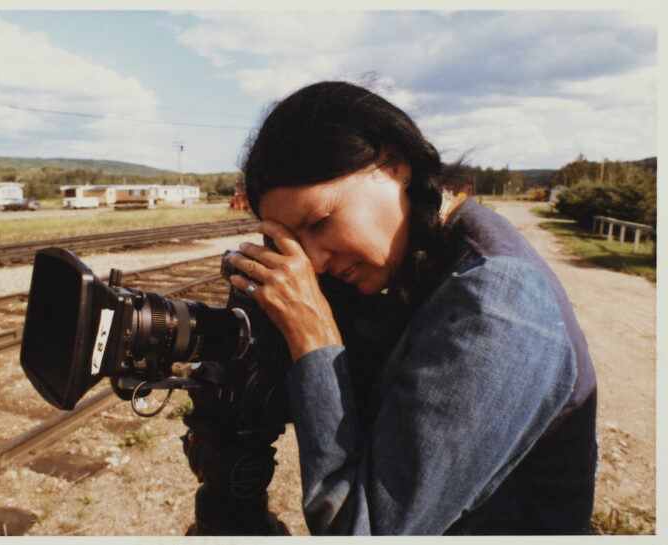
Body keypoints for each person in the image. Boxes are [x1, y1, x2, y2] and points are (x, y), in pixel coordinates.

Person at [225, 81, 597, 535]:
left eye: (320, 222)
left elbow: (359, 529)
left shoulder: (494, 301)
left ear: (393, 164)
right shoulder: (440, 258)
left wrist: (313, 336)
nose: (316, 261)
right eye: (298, 246)